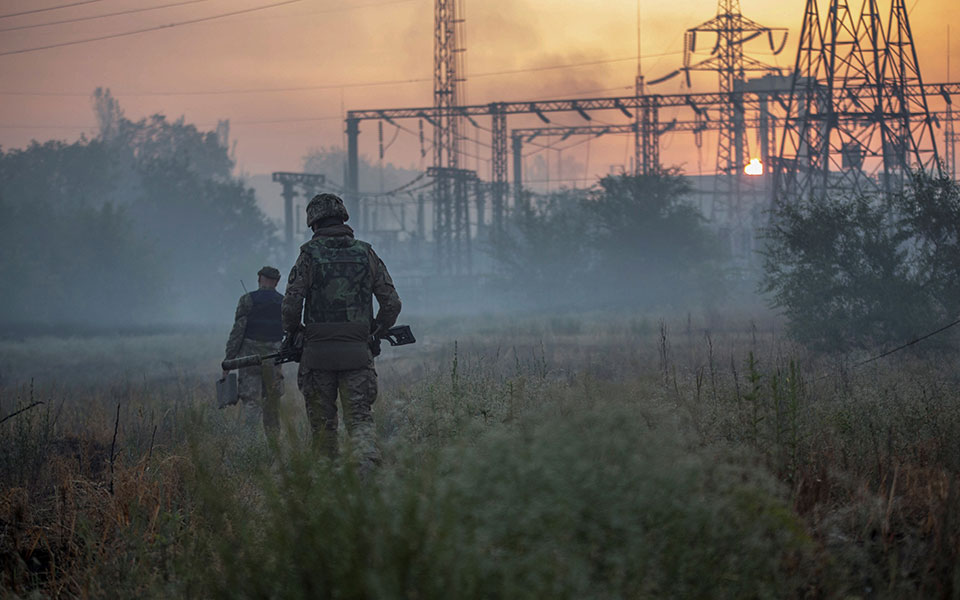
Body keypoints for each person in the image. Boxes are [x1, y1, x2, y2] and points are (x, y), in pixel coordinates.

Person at [281, 193, 401, 470]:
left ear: (313, 223)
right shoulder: (365, 253)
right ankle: (367, 485)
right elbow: (392, 303)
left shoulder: (308, 256)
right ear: (343, 217)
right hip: (358, 355)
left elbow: (290, 305)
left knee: (323, 433)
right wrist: (375, 331)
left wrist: (295, 332)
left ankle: (327, 494)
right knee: (360, 424)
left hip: (317, 356)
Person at [223, 266, 285, 435]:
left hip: (249, 360)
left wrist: (229, 360)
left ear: (259, 278)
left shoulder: (247, 300)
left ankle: (250, 445)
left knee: (251, 402)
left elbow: (238, 332)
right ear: (277, 282)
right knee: (272, 403)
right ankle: (274, 447)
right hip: (273, 360)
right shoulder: (283, 301)